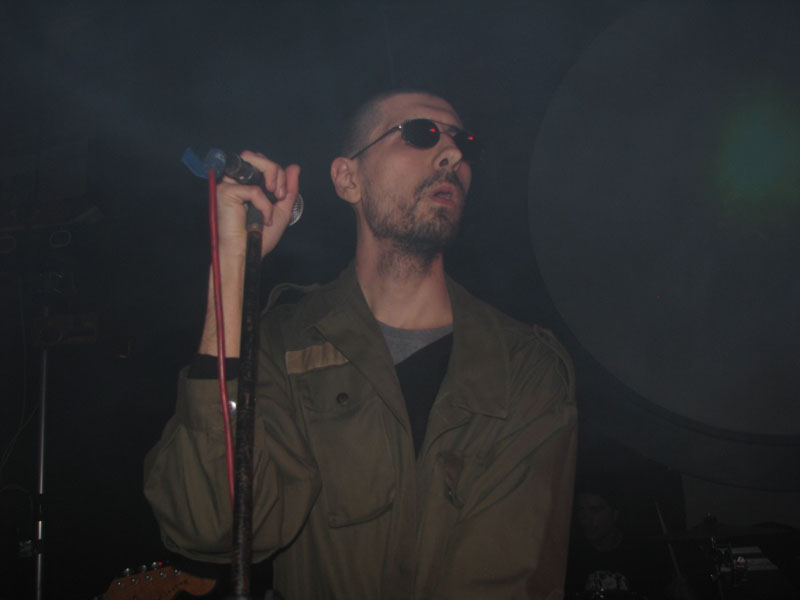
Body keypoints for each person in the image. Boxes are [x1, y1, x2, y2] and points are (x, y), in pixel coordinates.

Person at [144, 90, 578, 599]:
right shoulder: (282, 342)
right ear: (348, 178)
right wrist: (233, 269)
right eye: (421, 134)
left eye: (464, 143)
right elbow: (213, 525)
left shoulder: (523, 365)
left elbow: (510, 579)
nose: (452, 155)